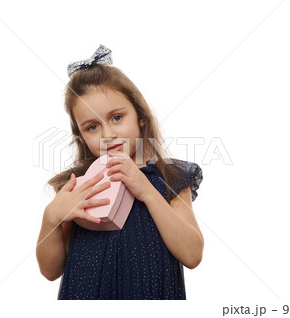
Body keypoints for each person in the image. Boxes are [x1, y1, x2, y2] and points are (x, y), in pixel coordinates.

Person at [36, 44, 204, 300]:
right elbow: (50, 271)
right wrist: (51, 218)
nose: (108, 134)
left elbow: (192, 255)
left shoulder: (171, 177)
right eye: (92, 127)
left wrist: (147, 191)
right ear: (81, 136)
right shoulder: (77, 186)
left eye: (116, 118)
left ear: (141, 116)